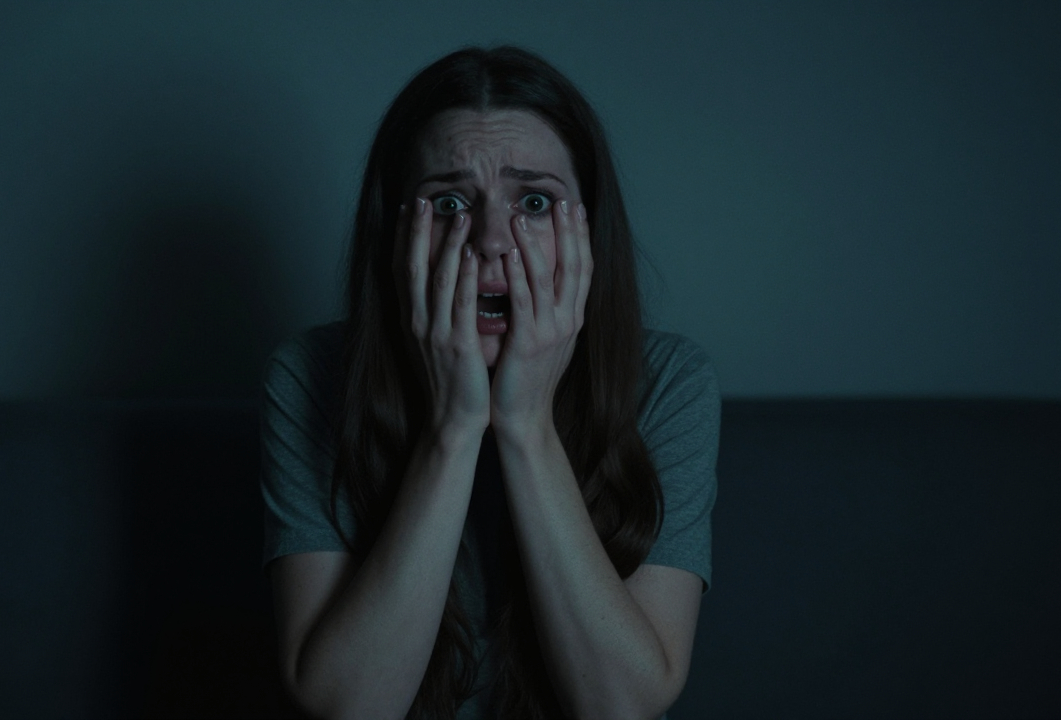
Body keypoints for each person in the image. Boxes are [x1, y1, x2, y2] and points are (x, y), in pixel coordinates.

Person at [260, 46, 719, 720]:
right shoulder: (309, 376)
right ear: (394, 233)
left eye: (534, 201)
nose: (491, 240)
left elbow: (620, 705)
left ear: (589, 230)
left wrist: (527, 425)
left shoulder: (670, 382)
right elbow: (351, 707)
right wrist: (453, 426)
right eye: (449, 202)